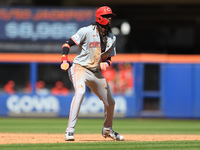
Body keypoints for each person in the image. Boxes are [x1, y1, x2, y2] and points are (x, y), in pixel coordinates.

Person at [60, 6, 124, 141]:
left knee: (111, 102)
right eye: (107, 16)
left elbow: (108, 58)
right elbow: (67, 44)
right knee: (81, 92)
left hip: (95, 72)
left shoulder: (112, 37)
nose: (110, 19)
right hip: (79, 68)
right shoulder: (86, 31)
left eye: (110, 16)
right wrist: (64, 59)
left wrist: (106, 64)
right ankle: (69, 131)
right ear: (100, 18)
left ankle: (107, 130)